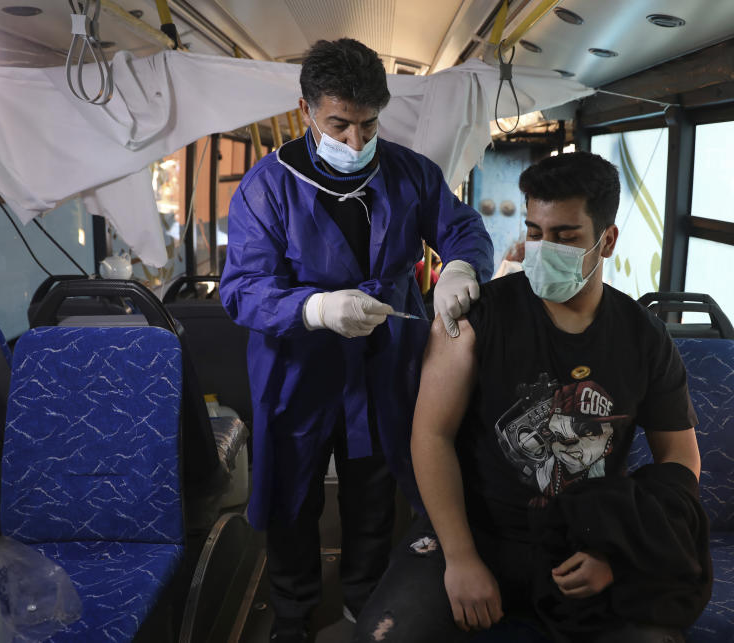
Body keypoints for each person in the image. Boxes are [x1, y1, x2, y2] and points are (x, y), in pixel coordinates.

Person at [354, 152, 712, 643]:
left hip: (584, 539)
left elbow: (679, 461)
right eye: (536, 232)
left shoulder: (644, 339)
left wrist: (618, 551)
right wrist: (459, 558)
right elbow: (431, 435)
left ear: (606, 241)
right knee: (387, 635)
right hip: (476, 532)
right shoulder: (480, 319)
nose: (543, 249)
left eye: (566, 237)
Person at [219, 38, 493, 642]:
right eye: (339, 124)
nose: (354, 142)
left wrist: (460, 267)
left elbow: (463, 227)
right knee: (293, 496)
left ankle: (363, 605)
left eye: (368, 125)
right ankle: (292, 612)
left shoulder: (409, 173)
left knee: (376, 490)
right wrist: (314, 308)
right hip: (298, 366)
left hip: (383, 364)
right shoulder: (267, 187)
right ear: (307, 110)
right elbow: (241, 290)